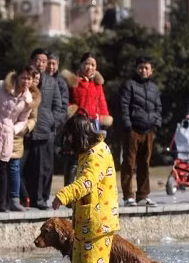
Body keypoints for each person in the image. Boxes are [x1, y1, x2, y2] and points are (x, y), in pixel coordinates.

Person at [51, 113, 119, 263]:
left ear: (77, 135)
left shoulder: (98, 153)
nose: (67, 143)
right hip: (84, 222)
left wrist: (64, 195)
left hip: (98, 223)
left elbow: (87, 182)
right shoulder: (86, 153)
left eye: (69, 138)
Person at [0, 67, 36, 212]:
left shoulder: (28, 100)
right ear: (17, 77)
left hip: (7, 133)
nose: (26, 81)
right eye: (23, 77)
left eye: (29, 79)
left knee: (3, 169)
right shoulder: (1, 86)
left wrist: (14, 130)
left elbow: (24, 119)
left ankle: (2, 204)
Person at [118, 56, 163, 207]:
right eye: (140, 67)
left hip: (149, 130)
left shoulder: (154, 88)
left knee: (145, 163)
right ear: (136, 69)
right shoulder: (129, 85)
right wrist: (128, 125)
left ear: (151, 71)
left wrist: (156, 124)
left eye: (146, 68)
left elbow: (158, 108)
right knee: (129, 164)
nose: (143, 70)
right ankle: (128, 196)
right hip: (132, 130)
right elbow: (124, 106)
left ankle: (143, 195)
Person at [24, 49, 64, 209]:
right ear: (32, 60)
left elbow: (59, 107)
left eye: (44, 61)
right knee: (24, 167)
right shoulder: (25, 78)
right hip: (25, 129)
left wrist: (51, 122)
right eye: (38, 60)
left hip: (44, 129)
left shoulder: (52, 82)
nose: (41, 64)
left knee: (43, 168)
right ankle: (25, 198)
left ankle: (41, 199)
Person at [66, 53, 108, 186]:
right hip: (77, 124)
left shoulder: (97, 84)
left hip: (93, 125)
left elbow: (101, 103)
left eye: (93, 65)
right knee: (74, 161)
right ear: (81, 64)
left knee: (92, 160)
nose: (89, 67)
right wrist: (72, 112)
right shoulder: (73, 81)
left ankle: (87, 192)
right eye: (87, 63)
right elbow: (66, 100)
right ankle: (68, 195)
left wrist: (104, 120)